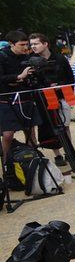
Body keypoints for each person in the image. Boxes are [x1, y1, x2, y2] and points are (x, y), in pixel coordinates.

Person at [29, 33, 75, 167]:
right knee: (50, 127)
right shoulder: (31, 61)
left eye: (36, 43)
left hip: (61, 97)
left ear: (45, 44)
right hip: (44, 100)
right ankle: (57, 155)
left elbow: (70, 78)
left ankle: (69, 152)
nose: (33, 47)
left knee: (65, 125)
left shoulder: (60, 59)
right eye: (31, 44)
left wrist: (62, 88)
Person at [0, 31, 40, 186]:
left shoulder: (27, 57)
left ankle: (34, 162)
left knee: (30, 132)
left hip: (25, 98)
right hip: (6, 100)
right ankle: (6, 165)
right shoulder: (2, 57)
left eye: (26, 44)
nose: (25, 47)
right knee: (8, 134)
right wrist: (19, 77)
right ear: (11, 44)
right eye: (21, 45)